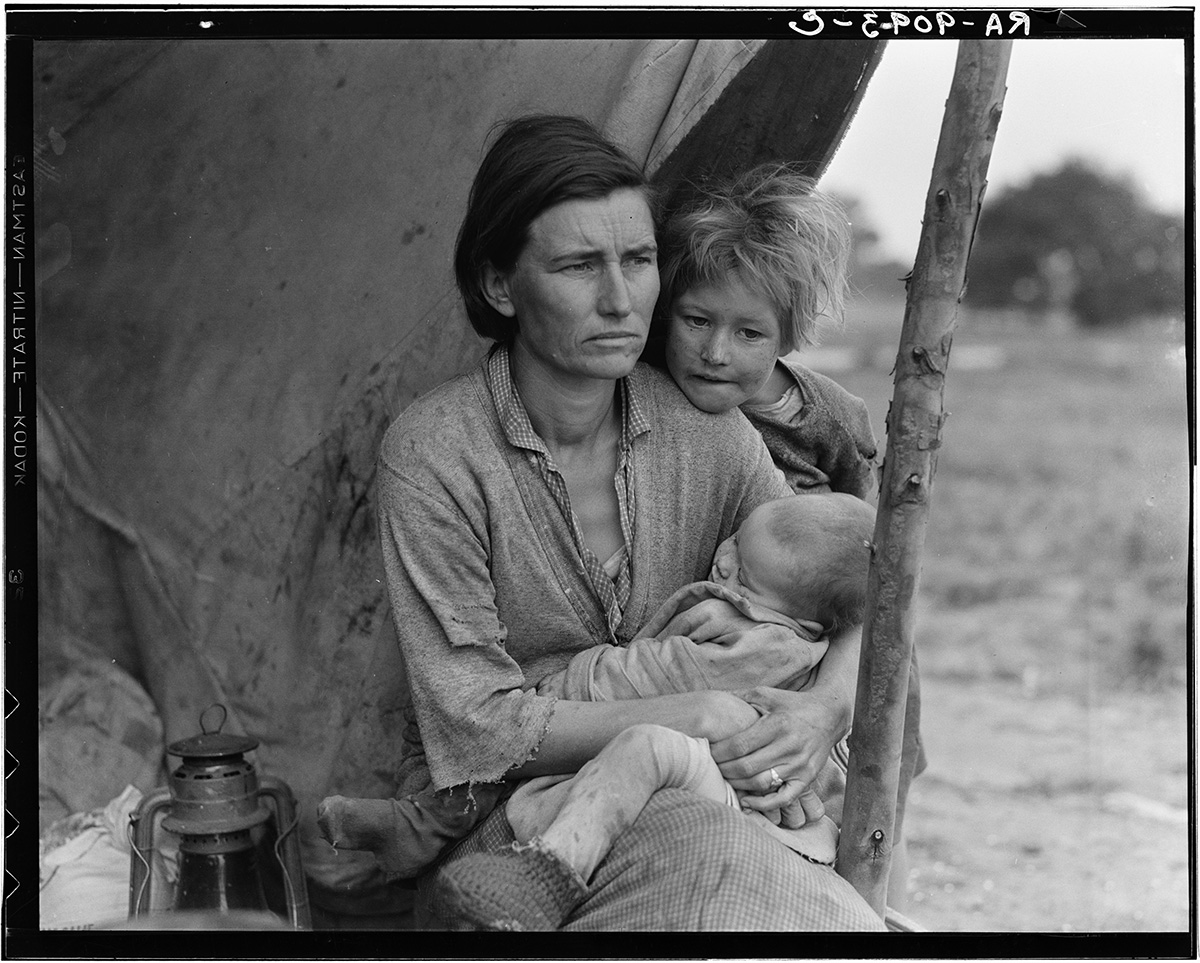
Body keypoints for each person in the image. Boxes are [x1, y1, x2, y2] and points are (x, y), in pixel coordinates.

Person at [346, 113, 882, 931]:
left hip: (712, 791)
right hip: (526, 820)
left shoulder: (709, 430)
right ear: (500, 285)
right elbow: (479, 725)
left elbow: (835, 586)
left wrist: (826, 708)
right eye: (577, 265)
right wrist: (688, 711)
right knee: (721, 874)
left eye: (637, 261)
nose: (619, 299)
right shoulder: (435, 454)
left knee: (763, 870)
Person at [652, 161, 925, 907]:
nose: (715, 352)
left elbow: (875, 577)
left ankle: (884, 914)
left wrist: (831, 701)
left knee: (871, 805)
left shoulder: (828, 420)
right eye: (697, 320)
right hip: (742, 640)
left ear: (789, 334)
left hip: (832, 644)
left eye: (749, 332)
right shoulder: (647, 399)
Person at [430, 492, 877, 930]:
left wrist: (569, 683)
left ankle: (547, 875)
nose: (723, 562)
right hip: (775, 803)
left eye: (744, 579)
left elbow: (646, 678)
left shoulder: (760, 644)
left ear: (810, 622)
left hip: (749, 801)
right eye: (736, 540)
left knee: (646, 749)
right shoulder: (790, 600)